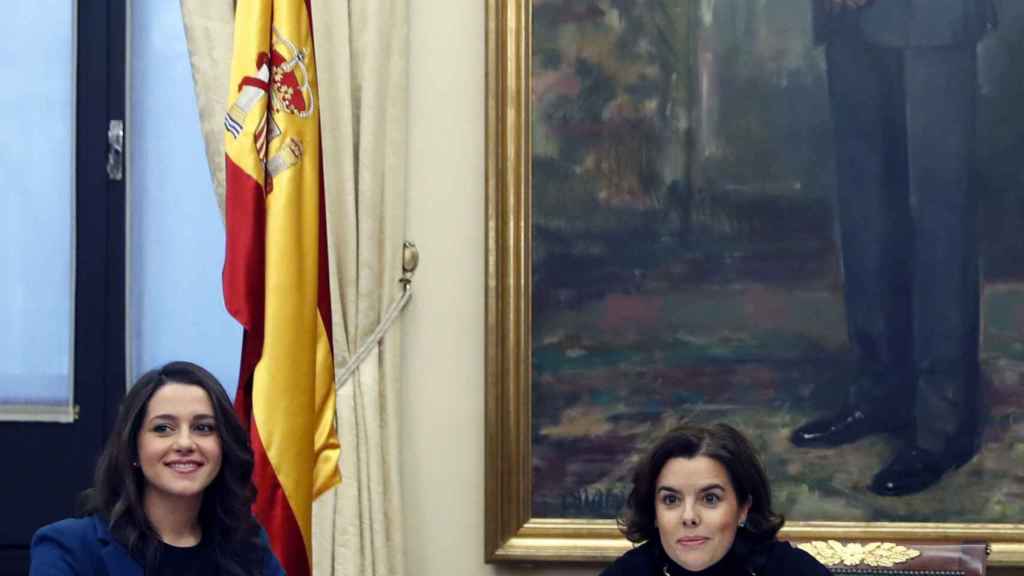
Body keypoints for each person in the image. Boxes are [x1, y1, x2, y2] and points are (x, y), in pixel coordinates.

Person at [792, 0, 998, 496]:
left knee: (939, 215)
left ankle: (943, 424)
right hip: (848, 14)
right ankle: (879, 390)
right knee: (866, 210)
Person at [29, 361, 284, 576]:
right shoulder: (68, 547)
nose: (185, 443)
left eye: (203, 427)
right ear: (133, 450)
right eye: (163, 428)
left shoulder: (249, 547)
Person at [601, 423, 830, 576]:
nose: (689, 517)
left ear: (743, 508)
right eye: (671, 500)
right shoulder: (628, 572)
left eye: (710, 498)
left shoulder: (793, 570)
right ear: (654, 511)